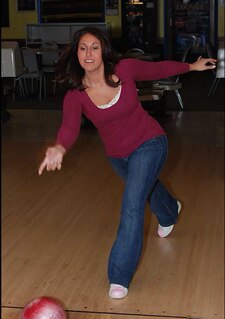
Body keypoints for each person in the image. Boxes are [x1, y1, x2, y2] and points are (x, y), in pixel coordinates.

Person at [38, 27, 216, 299]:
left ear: (103, 50)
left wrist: (191, 65)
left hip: (151, 142)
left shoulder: (125, 69)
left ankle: (119, 276)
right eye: (83, 48)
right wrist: (59, 147)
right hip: (118, 156)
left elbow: (158, 69)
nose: (89, 53)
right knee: (145, 186)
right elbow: (70, 127)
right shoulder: (75, 96)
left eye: (94, 47)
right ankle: (170, 211)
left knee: (132, 204)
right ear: (76, 54)